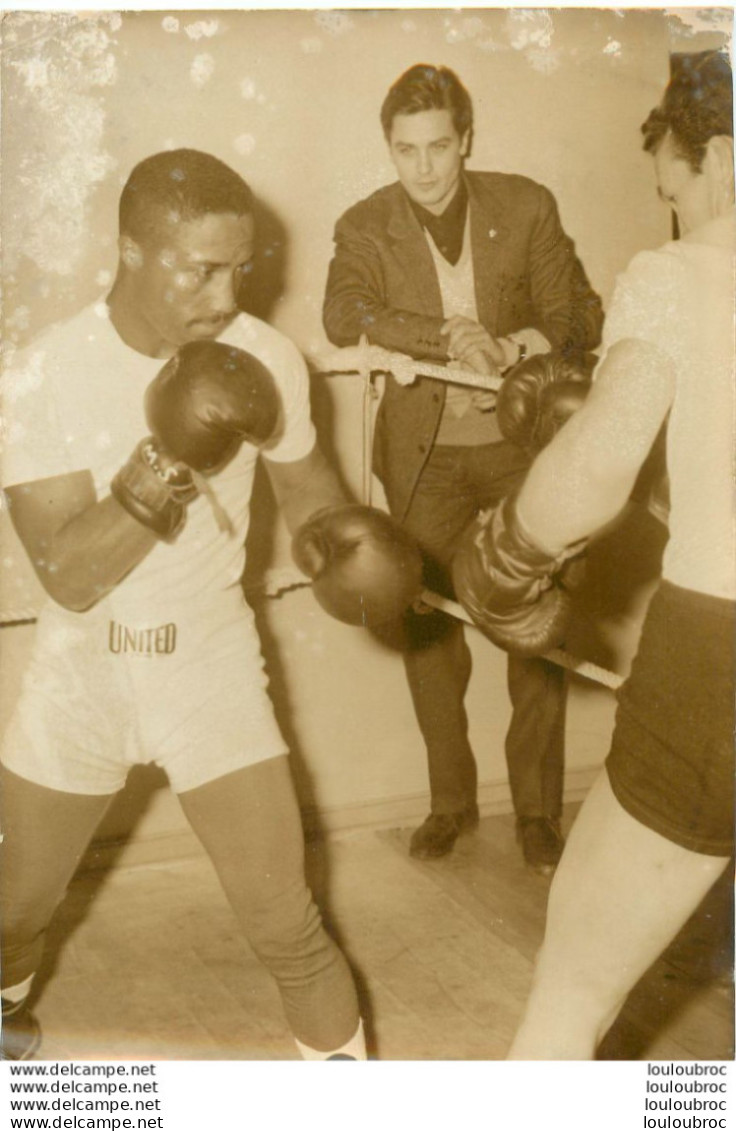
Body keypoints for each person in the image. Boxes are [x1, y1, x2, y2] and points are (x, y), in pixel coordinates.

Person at [0, 148, 421, 1062]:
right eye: (201, 269)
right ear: (133, 252)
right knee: (9, 911)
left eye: (242, 266)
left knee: (289, 919)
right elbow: (69, 575)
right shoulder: (42, 374)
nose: (227, 295)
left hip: (207, 660)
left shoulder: (265, 356)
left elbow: (313, 498)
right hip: (86, 667)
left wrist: (348, 551)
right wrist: (166, 460)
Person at [453, 50, 734, 1058]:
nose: (671, 206)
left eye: (673, 182)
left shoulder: (684, 270)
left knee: (572, 990)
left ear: (716, 155)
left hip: (721, 655)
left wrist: (508, 553)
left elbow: (592, 477)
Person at [323, 64, 603, 868]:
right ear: (389, 147)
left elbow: (573, 317)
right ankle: (450, 804)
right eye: (405, 149)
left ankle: (539, 816)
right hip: (424, 466)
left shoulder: (527, 205)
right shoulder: (364, 225)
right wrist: (449, 336)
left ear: (466, 140)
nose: (423, 168)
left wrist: (509, 348)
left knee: (534, 634)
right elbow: (344, 313)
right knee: (428, 641)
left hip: (522, 461)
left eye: (439, 146)